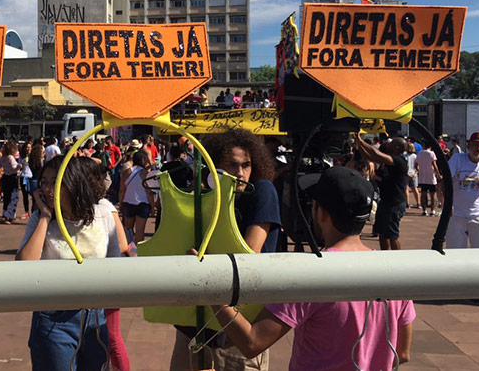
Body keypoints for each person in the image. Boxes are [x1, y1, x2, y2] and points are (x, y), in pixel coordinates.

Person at [209, 167, 414, 371]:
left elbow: (252, 342)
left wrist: (210, 287)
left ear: (321, 214)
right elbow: (402, 353)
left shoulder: (311, 274)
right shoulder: (395, 274)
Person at [169, 128, 282, 370]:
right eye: (232, 165)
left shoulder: (262, 191)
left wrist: (202, 265)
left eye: (246, 165)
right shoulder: (206, 194)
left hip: (236, 331)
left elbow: (248, 255)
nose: (240, 173)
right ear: (214, 167)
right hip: (195, 327)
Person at [17, 156, 121, 370]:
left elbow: (115, 264)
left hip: (95, 316)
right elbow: (24, 265)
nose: (47, 189)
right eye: (44, 182)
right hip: (53, 317)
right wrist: (45, 216)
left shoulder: (102, 214)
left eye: (55, 182)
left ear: (73, 182)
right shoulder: (40, 219)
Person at [356, 135, 408, 250]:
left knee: (392, 234)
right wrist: (359, 145)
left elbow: (376, 154)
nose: (388, 144)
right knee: (382, 232)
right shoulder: (389, 160)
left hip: (395, 202)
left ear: (397, 147)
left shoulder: (399, 160)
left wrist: (361, 141)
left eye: (391, 143)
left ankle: (397, 257)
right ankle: (384, 255)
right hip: (386, 201)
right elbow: (370, 156)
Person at [118, 150, 156, 244]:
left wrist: (121, 204)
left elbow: (122, 190)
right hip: (143, 204)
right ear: (143, 160)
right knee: (140, 230)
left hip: (128, 203)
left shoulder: (126, 172)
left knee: (128, 229)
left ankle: (128, 248)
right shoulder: (146, 174)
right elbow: (149, 193)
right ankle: (138, 250)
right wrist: (152, 207)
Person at [415, 140, 442, 216]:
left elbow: (416, 164)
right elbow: (434, 164)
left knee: (423, 193)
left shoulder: (420, 153)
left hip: (422, 177)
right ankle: (432, 210)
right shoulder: (431, 153)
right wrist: (438, 174)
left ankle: (424, 210)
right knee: (433, 194)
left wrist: (419, 170)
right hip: (431, 176)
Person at [0, 140, 21, 224]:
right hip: (12, 178)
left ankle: (6, 215)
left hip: (5, 177)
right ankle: (9, 216)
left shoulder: (3, 158)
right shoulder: (10, 157)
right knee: (14, 197)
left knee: (7, 197)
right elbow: (14, 167)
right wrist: (20, 166)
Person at [405, 142, 420, 209]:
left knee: (406, 189)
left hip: (407, 174)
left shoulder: (405, 156)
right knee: (415, 189)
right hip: (414, 174)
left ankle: (407, 204)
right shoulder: (415, 156)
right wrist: (415, 174)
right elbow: (417, 167)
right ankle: (418, 203)